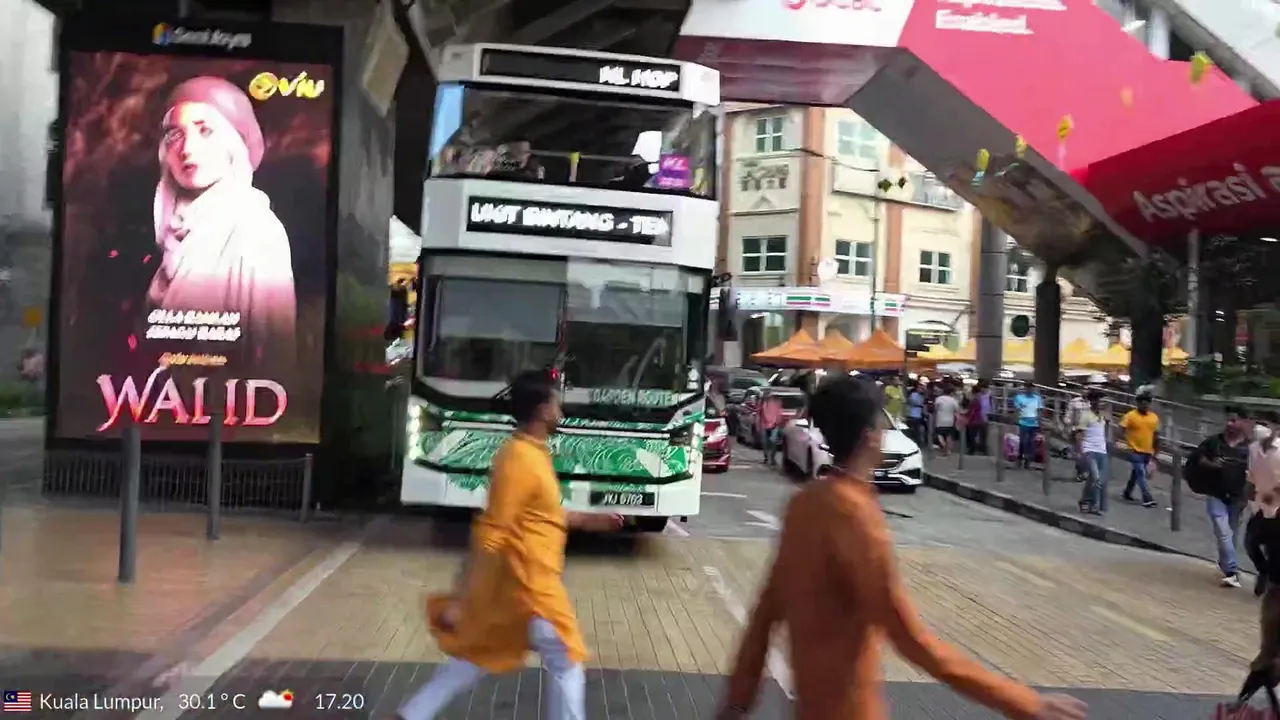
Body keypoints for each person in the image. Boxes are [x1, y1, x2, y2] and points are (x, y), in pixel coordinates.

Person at [716, 376, 1087, 720]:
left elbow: (764, 616)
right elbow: (912, 640)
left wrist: (736, 703)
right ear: (870, 437)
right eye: (882, 423)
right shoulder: (856, 518)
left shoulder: (804, 506)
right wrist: (1024, 702)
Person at [393, 371, 622, 720]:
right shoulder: (518, 460)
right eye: (556, 404)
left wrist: (592, 520)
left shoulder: (532, 454)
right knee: (566, 657)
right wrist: (463, 597)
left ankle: (409, 715)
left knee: (474, 658)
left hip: (515, 591)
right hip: (531, 590)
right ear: (543, 410)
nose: (560, 412)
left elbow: (542, 515)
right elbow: (492, 530)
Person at [149, 76, 297, 366]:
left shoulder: (256, 230)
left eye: (205, 131)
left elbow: (274, 357)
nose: (187, 148)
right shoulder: (174, 235)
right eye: (175, 134)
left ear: (234, 142)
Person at [1194, 406, 1253, 589]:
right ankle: (1232, 571)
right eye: (1228, 420)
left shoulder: (1250, 448)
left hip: (1237, 498)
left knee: (1231, 534)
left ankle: (1225, 562)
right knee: (1223, 531)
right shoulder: (1214, 442)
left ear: (1243, 422)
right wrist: (1213, 465)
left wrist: (1249, 495)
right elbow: (1198, 459)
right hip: (1216, 494)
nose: (1229, 424)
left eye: (1234, 420)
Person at [1248, 411, 1280, 596]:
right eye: (1258, 423)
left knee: (1274, 549)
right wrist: (1250, 495)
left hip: (1277, 508)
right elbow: (1251, 475)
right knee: (1250, 542)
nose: (1260, 428)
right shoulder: (1253, 449)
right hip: (1260, 505)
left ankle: (1273, 587)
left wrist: (1273, 494)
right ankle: (1264, 570)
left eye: (1265, 424)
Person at [1119, 390, 1160, 508]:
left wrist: (1156, 452)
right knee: (1141, 473)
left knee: (1136, 473)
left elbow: (1156, 435)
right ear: (1138, 403)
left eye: (1147, 402)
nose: (1145, 405)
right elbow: (1121, 428)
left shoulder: (1154, 418)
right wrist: (1125, 441)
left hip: (1147, 451)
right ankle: (1147, 497)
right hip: (1134, 450)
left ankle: (1127, 492)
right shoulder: (1130, 416)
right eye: (1142, 402)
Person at [1074, 389, 1111, 516]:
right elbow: (1079, 434)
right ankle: (1094, 505)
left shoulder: (1103, 417)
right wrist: (1080, 452)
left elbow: (1105, 433)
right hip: (1089, 450)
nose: (1101, 403)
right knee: (1097, 478)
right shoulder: (1085, 415)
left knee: (1095, 480)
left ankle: (1084, 500)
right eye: (1099, 400)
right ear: (1092, 401)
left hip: (1102, 451)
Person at [1013, 381, 1043, 469]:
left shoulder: (1037, 398)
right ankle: (1020, 457)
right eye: (1028, 388)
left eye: (1031, 388)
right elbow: (1017, 410)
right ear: (1025, 388)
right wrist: (1015, 420)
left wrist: (1040, 423)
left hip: (1034, 423)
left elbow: (1039, 411)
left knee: (1031, 442)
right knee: (1023, 441)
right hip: (1023, 422)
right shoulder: (1019, 398)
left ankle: (1027, 461)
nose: (1029, 389)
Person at [758, 391, 785, 467]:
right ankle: (766, 458)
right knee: (765, 443)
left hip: (774, 424)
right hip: (764, 425)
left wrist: (778, 422)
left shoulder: (776, 402)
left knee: (773, 442)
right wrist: (758, 425)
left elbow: (779, 412)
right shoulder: (762, 403)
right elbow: (759, 414)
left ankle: (772, 458)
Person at [933, 383, 960, 456]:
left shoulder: (938, 399)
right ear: (951, 392)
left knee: (940, 435)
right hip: (950, 421)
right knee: (949, 436)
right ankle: (948, 450)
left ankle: (944, 446)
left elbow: (935, 409)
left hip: (940, 420)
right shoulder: (953, 400)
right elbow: (957, 410)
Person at [965, 381, 990, 455]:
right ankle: (982, 450)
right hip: (983, 418)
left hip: (976, 419)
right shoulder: (984, 397)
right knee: (982, 436)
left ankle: (973, 449)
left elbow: (972, 410)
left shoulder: (976, 399)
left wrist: (968, 417)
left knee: (973, 435)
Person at [907, 382, 927, 447]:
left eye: (922, 388)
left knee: (919, 429)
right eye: (920, 388)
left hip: (919, 414)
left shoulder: (923, 396)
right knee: (915, 429)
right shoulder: (913, 395)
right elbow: (912, 402)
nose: (921, 389)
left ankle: (919, 442)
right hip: (914, 414)